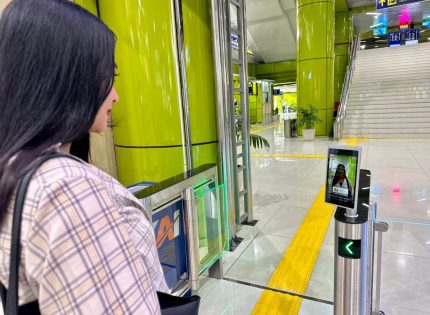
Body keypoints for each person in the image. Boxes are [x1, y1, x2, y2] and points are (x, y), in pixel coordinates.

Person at [0, 0, 167, 313]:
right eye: (109, 76)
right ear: (67, 77)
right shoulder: (67, 188)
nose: (115, 94)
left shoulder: (15, 169)